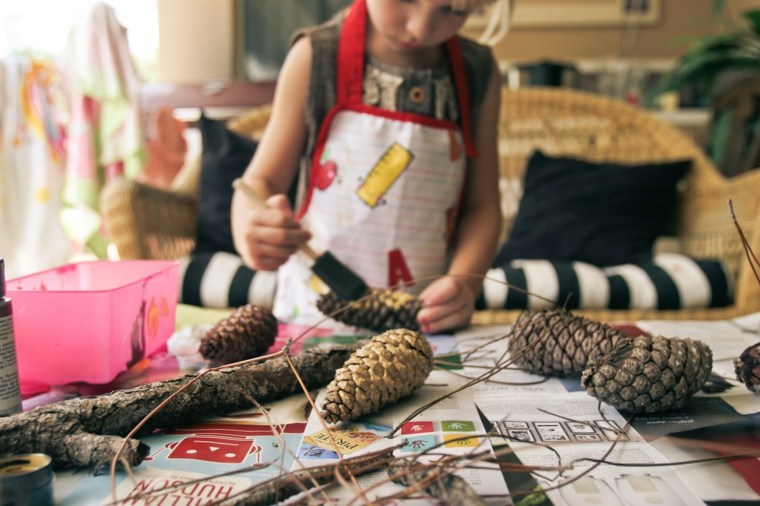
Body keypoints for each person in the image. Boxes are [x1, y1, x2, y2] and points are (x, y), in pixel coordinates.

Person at [231, 0, 504, 334]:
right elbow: (261, 180)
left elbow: (483, 207)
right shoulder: (314, 57)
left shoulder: (479, 73)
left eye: (453, 10)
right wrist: (252, 228)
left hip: (421, 330)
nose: (419, 27)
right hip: (310, 322)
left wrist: (463, 284)